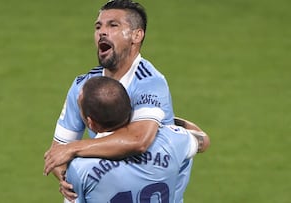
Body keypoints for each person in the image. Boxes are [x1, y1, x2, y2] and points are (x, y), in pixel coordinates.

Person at [43, 0, 207, 202]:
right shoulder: (83, 86)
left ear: (136, 35)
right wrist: (67, 179)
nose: (102, 32)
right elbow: (58, 152)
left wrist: (74, 152)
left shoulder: (150, 82)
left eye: (113, 25)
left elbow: (138, 140)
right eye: (98, 26)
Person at [66, 76, 210, 203]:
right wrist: (160, 122)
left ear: (91, 123)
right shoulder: (171, 140)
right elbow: (203, 140)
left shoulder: (80, 169)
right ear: (130, 109)